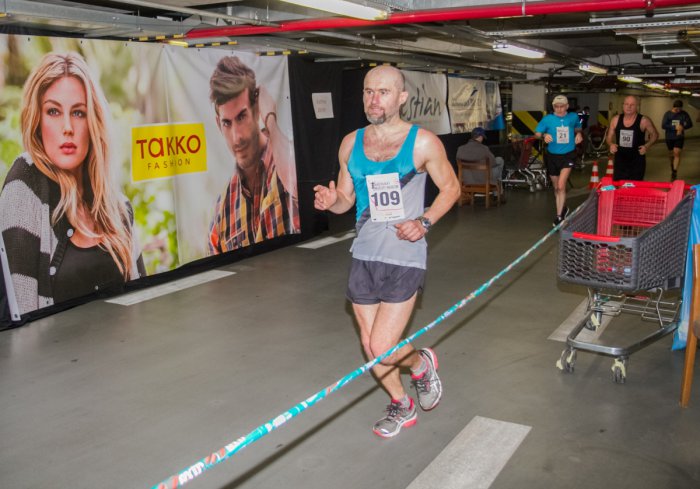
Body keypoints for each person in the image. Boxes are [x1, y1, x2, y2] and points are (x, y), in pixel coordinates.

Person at [313, 66, 460, 438]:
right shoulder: (351, 143)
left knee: (382, 344)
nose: (373, 99)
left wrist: (424, 221)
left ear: (401, 97)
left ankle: (420, 366)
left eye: (382, 92)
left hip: (404, 253)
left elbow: (452, 188)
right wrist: (332, 200)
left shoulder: (423, 142)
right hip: (364, 253)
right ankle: (402, 403)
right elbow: (346, 199)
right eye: (368, 91)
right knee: (369, 343)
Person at [0, 52, 144, 316]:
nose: (67, 127)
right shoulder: (25, 185)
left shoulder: (118, 208)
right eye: (53, 111)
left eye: (78, 112)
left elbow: (143, 302)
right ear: (37, 120)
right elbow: (22, 318)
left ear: (93, 122)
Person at [208, 55, 300, 254]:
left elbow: (295, 183)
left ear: (257, 109)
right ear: (218, 124)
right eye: (227, 123)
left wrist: (270, 120)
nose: (237, 137)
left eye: (241, 117)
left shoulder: (284, 160)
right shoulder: (223, 209)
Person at [535, 94, 583, 226]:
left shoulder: (573, 117)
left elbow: (578, 126)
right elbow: (537, 133)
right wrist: (544, 135)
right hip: (552, 156)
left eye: (562, 106)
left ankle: (559, 216)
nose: (559, 109)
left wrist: (579, 133)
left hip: (568, 154)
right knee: (556, 188)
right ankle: (563, 208)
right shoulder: (548, 119)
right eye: (556, 107)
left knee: (561, 186)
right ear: (553, 107)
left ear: (567, 106)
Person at [606, 95, 658, 181]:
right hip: (620, 160)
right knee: (619, 184)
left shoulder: (643, 120)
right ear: (623, 105)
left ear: (637, 106)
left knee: (635, 186)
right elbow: (609, 137)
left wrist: (647, 146)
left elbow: (654, 135)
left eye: (632, 105)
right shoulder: (615, 119)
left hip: (637, 161)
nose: (629, 107)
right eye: (626, 104)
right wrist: (611, 144)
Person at [661, 99, 693, 181]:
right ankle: (672, 165)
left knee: (677, 152)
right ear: (673, 107)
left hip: (679, 137)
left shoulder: (684, 114)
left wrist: (683, 127)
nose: (678, 111)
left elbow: (690, 124)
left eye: (680, 109)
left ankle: (674, 172)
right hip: (669, 137)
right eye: (676, 109)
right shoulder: (667, 114)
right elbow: (663, 125)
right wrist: (674, 127)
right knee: (671, 154)